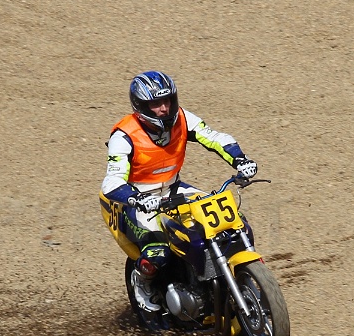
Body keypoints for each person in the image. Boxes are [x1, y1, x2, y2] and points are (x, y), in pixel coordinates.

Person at [100, 70, 258, 316]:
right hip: (136, 199)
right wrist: (138, 199)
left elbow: (214, 138)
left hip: (174, 188)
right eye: (156, 104)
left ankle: (223, 278)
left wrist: (240, 160)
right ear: (141, 105)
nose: (164, 108)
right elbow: (111, 183)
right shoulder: (124, 136)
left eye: (167, 101)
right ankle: (143, 282)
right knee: (158, 252)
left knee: (230, 225)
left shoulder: (183, 118)